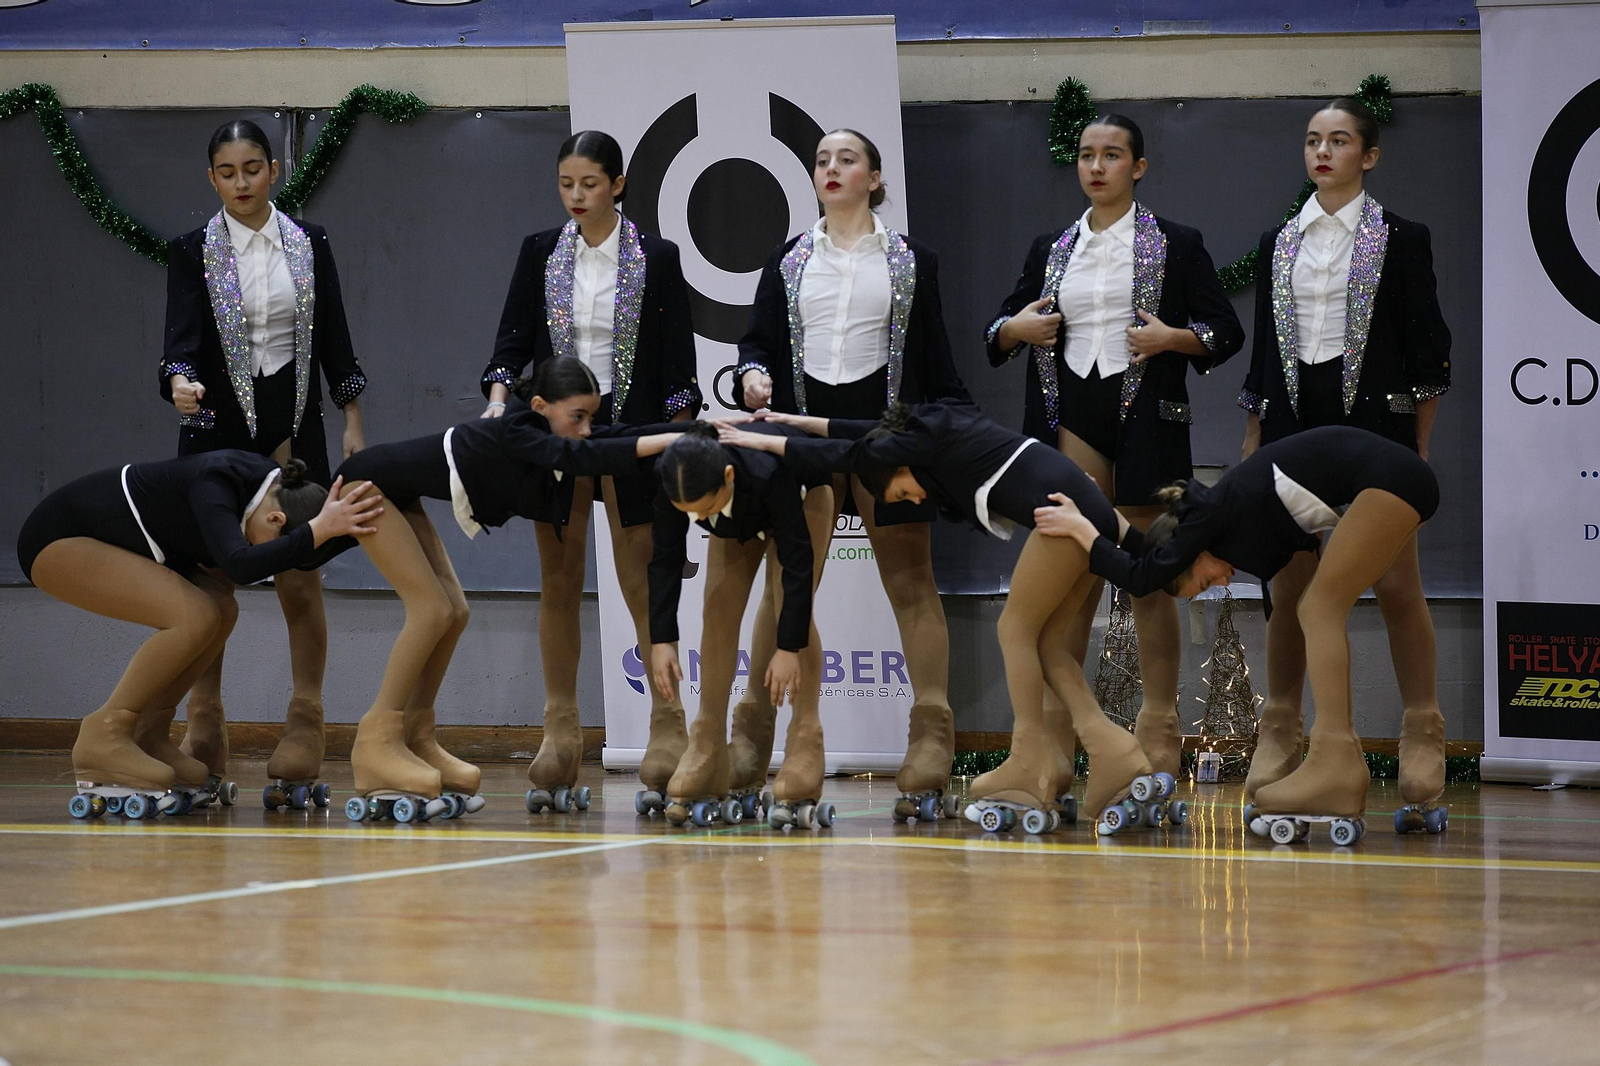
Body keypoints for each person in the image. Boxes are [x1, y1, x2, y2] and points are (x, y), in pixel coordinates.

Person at [719, 403, 1180, 836]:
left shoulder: (918, 447)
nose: (913, 497)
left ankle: (1028, 758)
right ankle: (1114, 754)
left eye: (902, 490)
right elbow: (859, 435)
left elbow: (850, 450)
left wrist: (767, 442)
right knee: (1050, 645)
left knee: (1013, 628)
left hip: (1063, 513)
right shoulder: (929, 435)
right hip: (1082, 502)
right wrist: (799, 421)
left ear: (900, 465)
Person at [984, 114, 1244, 780]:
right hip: (1070, 416)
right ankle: (1057, 738)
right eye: (1087, 155)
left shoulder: (1178, 244)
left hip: (1150, 424)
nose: (1097, 166)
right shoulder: (1053, 246)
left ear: (1139, 167)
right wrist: (1013, 328)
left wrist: (1173, 339)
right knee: (1068, 576)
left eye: (1113, 155)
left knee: (1151, 576)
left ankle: (1159, 723)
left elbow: (1225, 330)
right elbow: (1002, 329)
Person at [1034, 425, 1441, 843]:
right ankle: (1336, 759)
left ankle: (1336, 759)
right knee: (1314, 606)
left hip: (1390, 479)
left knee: (1319, 608)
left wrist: (1084, 527)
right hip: (1398, 479)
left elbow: (1141, 573)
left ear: (1189, 554)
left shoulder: (1208, 515)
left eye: (1204, 582)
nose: (1220, 585)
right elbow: (1149, 552)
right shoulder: (1221, 520)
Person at [334, 357, 690, 822]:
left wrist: (692, 430)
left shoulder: (551, 431)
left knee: (453, 611)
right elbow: (583, 455)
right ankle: (376, 741)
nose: (586, 428)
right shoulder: (520, 431)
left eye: (591, 417)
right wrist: (668, 439)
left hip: (393, 490)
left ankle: (416, 737)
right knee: (431, 612)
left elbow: (604, 440)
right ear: (540, 405)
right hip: (365, 487)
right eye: (577, 417)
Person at [733, 128, 968, 819]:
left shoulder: (910, 261)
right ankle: (780, 734)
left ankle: (930, 731)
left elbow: (935, 358)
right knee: (788, 583)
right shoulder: (788, 260)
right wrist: (752, 372)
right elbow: (758, 341)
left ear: (874, 176)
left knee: (912, 581)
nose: (831, 168)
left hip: (884, 438)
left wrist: (945, 441)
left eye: (846, 159)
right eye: (822, 160)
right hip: (805, 440)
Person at [1235, 98, 1451, 830]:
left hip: (1376, 423)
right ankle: (1283, 724)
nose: (1322, 152)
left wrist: (1416, 446)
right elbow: (1267, 352)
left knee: (1395, 579)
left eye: (1339, 140)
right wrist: (1256, 435)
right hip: (1294, 423)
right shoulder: (1279, 241)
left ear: (1370, 154)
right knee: (1290, 580)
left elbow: (1429, 353)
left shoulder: (1401, 238)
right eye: (1312, 141)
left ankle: (1422, 724)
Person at [481, 130, 701, 811]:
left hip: (630, 434)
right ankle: (561, 730)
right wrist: (498, 401)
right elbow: (510, 344)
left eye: (590, 185)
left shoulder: (656, 258)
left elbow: (678, 368)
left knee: (641, 577)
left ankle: (669, 724)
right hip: (558, 437)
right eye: (566, 185)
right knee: (559, 577)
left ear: (619, 184)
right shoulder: (539, 252)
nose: (577, 197)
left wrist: (677, 434)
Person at [161, 118, 369, 806]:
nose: (242, 183)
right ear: (211, 179)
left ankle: (306, 720)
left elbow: (337, 341)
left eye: (254, 169)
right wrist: (178, 385)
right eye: (228, 172)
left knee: (299, 576)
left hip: (293, 432)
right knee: (210, 584)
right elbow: (179, 345)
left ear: (274, 171)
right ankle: (206, 721)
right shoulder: (192, 251)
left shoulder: (310, 245)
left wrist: (353, 427)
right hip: (215, 435)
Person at [17, 454, 379, 819]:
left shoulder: (256, 488)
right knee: (194, 614)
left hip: (93, 540)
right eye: (272, 546)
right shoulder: (218, 481)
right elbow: (240, 564)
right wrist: (316, 531)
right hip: (56, 539)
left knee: (221, 609)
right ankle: (103, 735)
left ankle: (149, 735)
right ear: (275, 519)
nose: (267, 556)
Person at [647, 423, 835, 829]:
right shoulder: (677, 477)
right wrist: (660, 639)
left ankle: (805, 739)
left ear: (727, 478)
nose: (697, 519)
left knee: (786, 603)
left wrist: (787, 649)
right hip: (739, 509)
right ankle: (709, 743)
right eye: (689, 512)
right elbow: (664, 559)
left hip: (802, 494)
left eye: (704, 508)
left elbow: (798, 566)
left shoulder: (770, 475)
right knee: (718, 608)